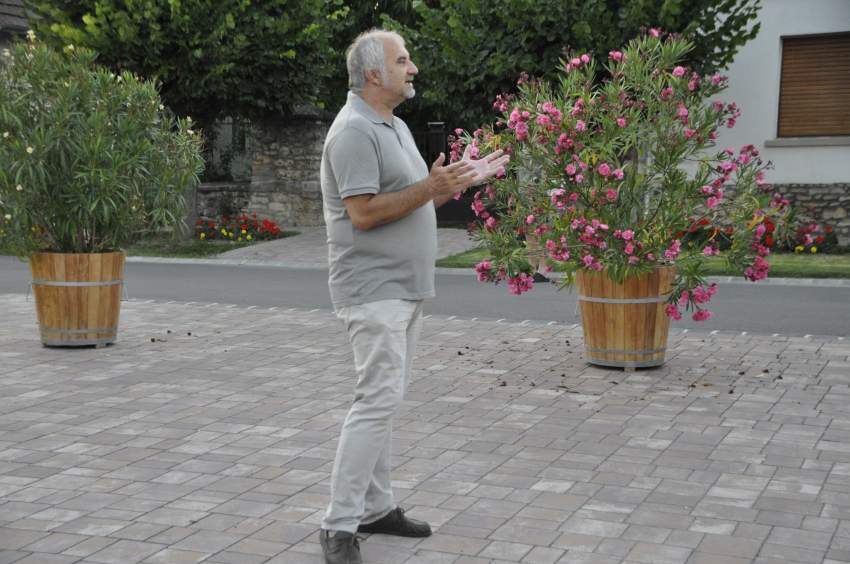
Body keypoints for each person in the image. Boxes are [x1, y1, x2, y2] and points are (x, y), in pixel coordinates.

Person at [318, 29, 510, 564]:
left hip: (402, 288)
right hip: (372, 289)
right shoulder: (354, 132)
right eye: (403, 60)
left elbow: (410, 193)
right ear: (374, 74)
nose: (414, 68)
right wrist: (431, 187)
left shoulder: (394, 125)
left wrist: (452, 182)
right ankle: (338, 524)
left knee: (385, 401)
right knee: (375, 400)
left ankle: (377, 508)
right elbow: (364, 213)